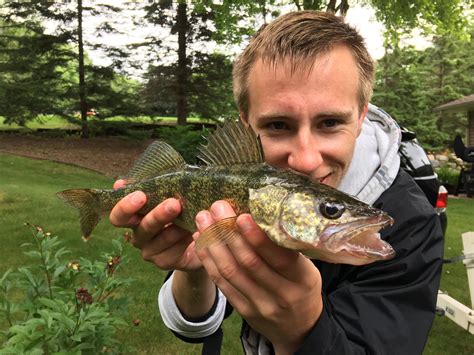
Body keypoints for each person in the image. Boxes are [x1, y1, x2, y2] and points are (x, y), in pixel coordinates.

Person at [110, 10, 443, 355]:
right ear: (246, 123)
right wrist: (194, 269)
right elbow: (196, 324)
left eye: (329, 122)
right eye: (278, 126)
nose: (306, 160)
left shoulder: (411, 226)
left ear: (360, 117)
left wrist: (303, 332)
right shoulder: (245, 187)